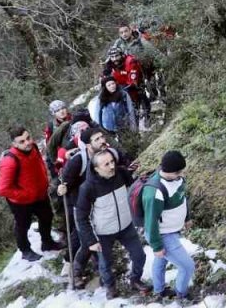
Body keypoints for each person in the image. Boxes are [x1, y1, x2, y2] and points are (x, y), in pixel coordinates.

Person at [58, 124, 135, 286]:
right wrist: (62, 187)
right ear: (88, 145)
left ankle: (99, 269)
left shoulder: (109, 154)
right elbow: (64, 180)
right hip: (82, 203)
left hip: (104, 203)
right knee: (86, 240)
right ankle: (75, 271)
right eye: (97, 139)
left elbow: (123, 160)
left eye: (102, 137)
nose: (102, 141)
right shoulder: (79, 159)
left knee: (97, 239)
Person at [75, 149, 150, 298]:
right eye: (106, 164)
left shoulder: (121, 174)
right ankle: (110, 286)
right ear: (96, 169)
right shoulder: (88, 188)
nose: (111, 166)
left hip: (126, 225)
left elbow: (135, 189)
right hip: (104, 231)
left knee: (139, 256)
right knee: (105, 263)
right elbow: (81, 217)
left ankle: (135, 279)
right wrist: (91, 241)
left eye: (112, 162)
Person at [0, 126, 65, 261]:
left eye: (28, 138)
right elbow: (2, 189)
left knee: (47, 217)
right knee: (22, 226)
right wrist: (26, 195)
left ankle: (47, 242)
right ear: (14, 144)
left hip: (39, 194)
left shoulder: (33, 147)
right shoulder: (9, 161)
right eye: (21, 141)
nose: (27, 142)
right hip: (20, 201)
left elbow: (39, 164)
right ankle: (25, 251)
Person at [144, 150, 194, 302]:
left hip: (172, 229)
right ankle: (182, 294)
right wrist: (157, 246)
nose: (182, 174)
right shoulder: (155, 192)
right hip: (162, 234)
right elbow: (150, 222)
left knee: (161, 261)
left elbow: (182, 198)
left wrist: (187, 217)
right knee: (187, 267)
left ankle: (159, 290)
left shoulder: (177, 179)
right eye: (179, 172)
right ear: (169, 171)